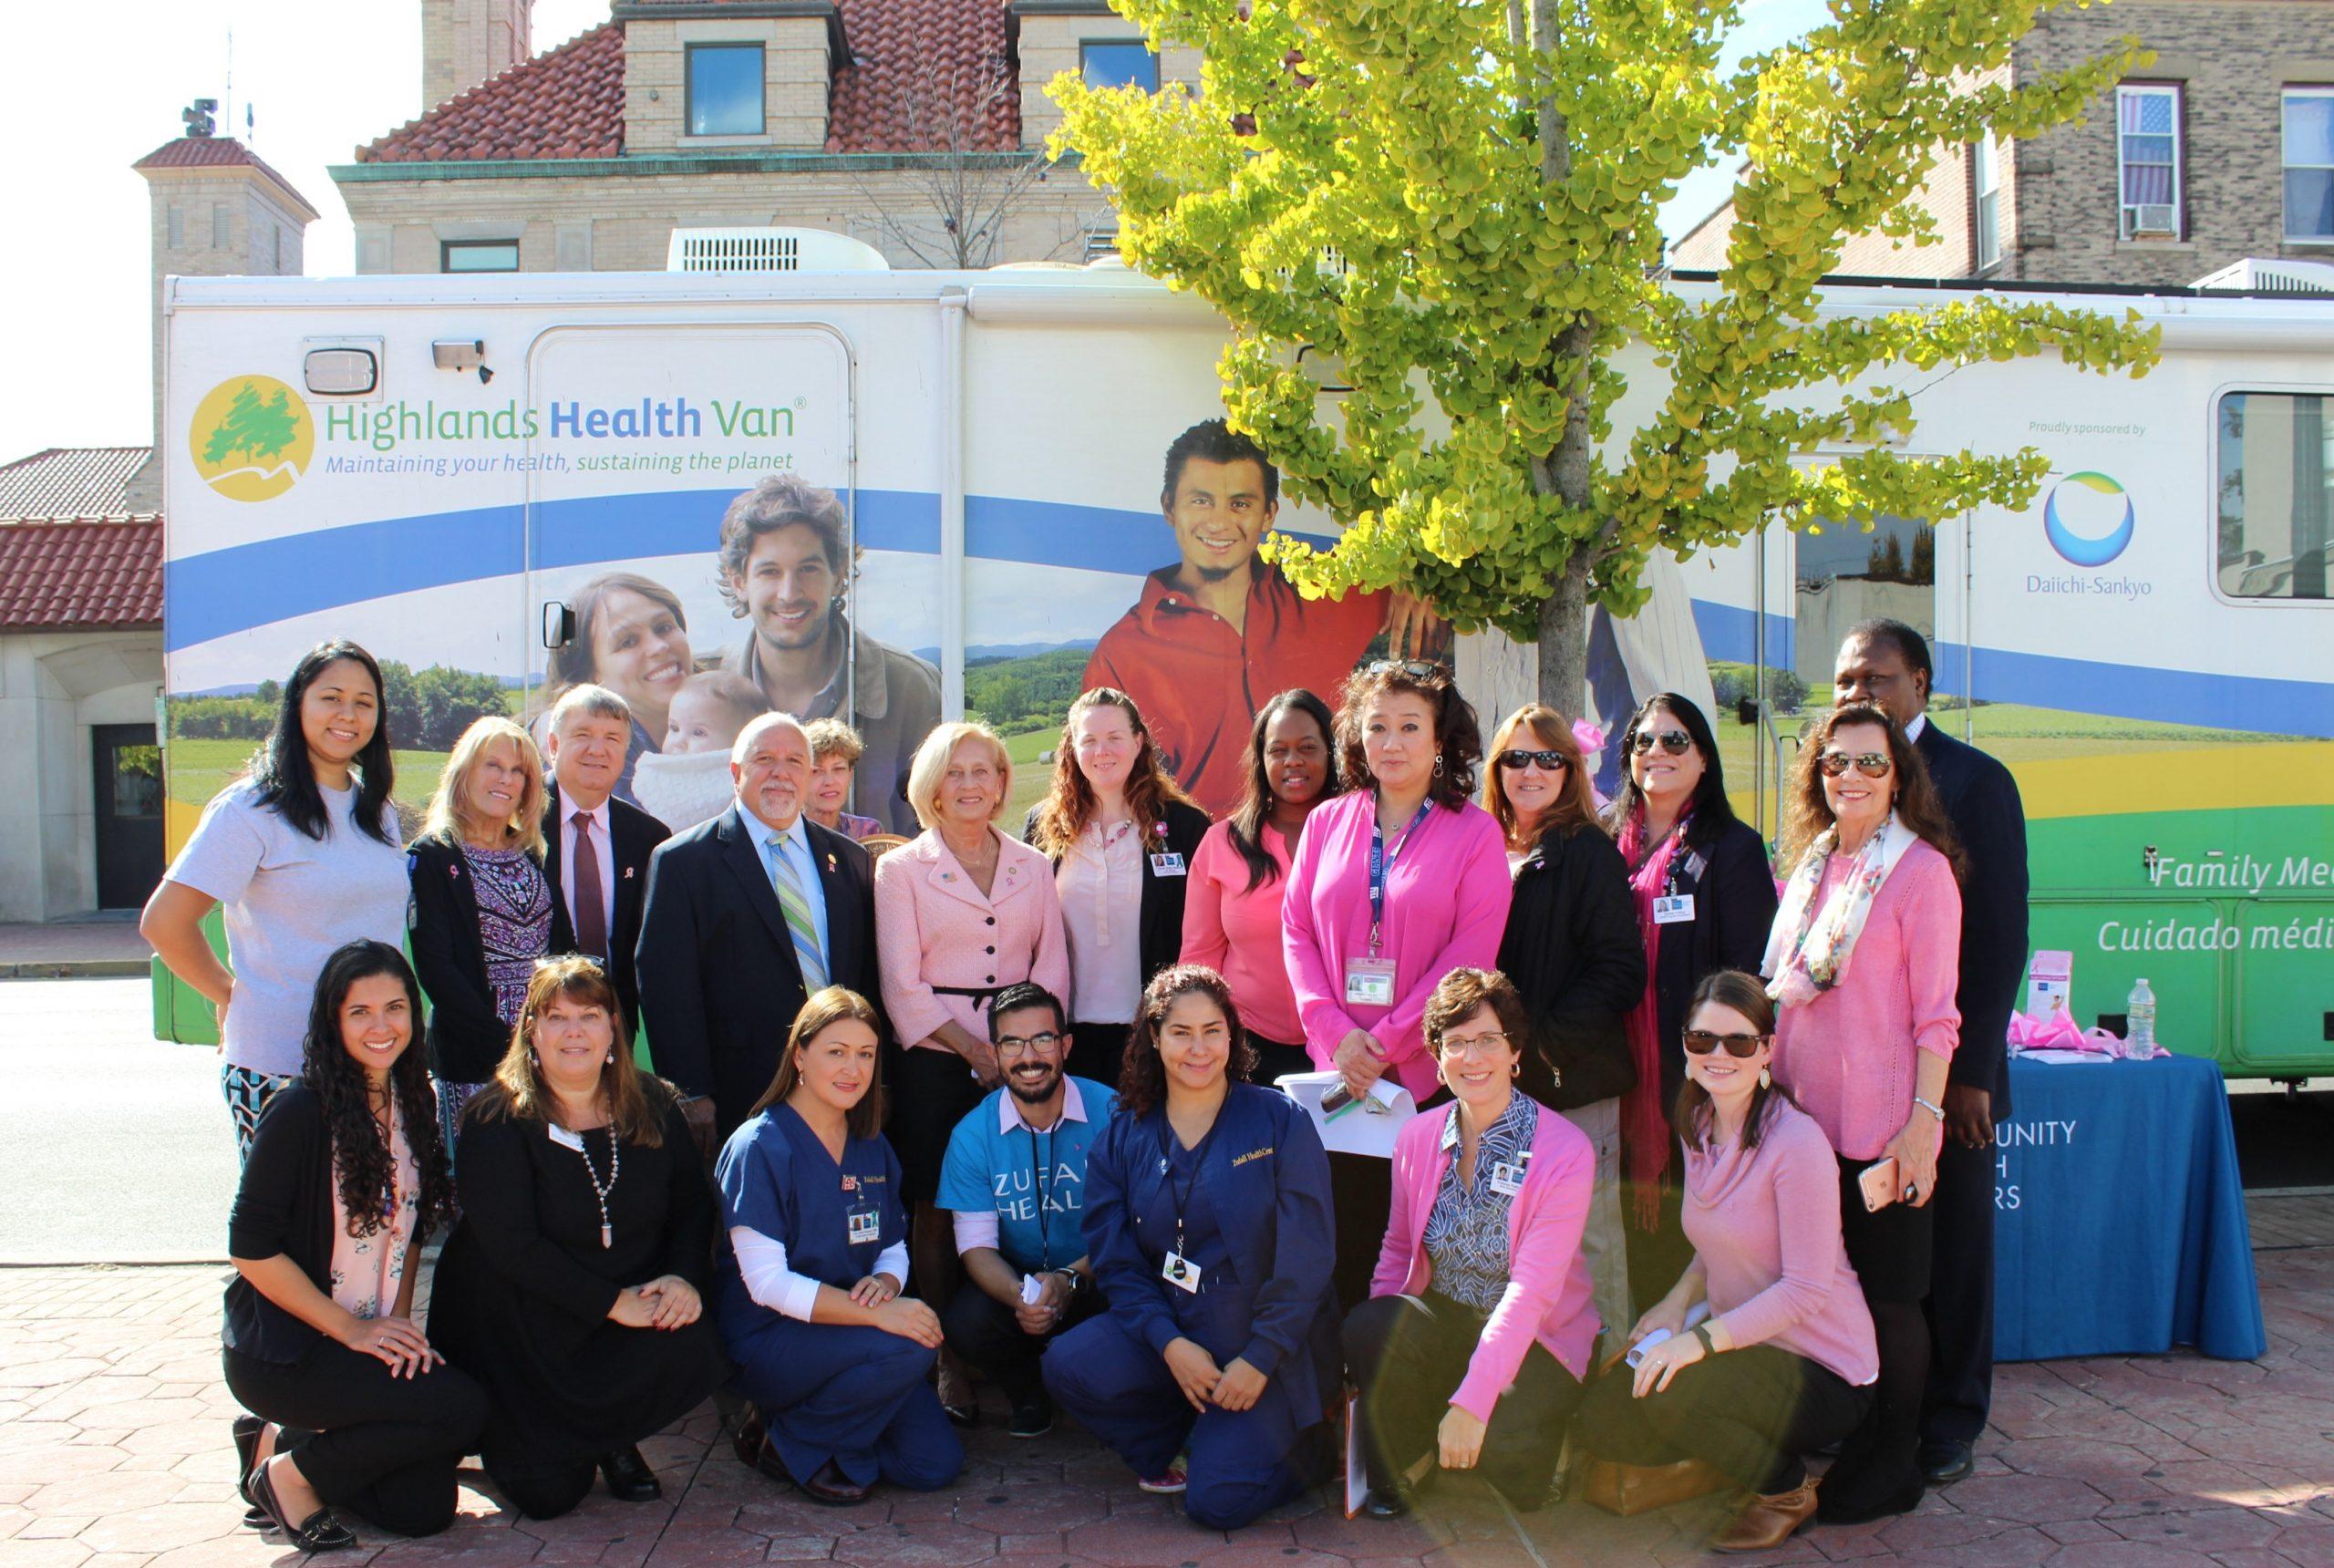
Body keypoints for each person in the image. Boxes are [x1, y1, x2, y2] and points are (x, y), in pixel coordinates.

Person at [1576, 972, 1878, 1554]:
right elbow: (1716, 1240)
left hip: (1822, 1365)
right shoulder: (1699, 1123)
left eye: (1739, 1042)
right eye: (1702, 1040)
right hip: (1743, 1342)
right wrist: (1675, 1302)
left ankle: (1785, 1490)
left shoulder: (1797, 1143)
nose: (1720, 1055)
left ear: (1766, 1050)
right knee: (1605, 1418)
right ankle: (1728, 1450)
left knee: (1671, 1389)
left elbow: (1806, 1290)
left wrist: (1697, 1343)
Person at [427, 956, 728, 1520]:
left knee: (697, 1337)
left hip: (621, 1310)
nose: (573, 1031)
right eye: (555, 1017)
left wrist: (683, 1277)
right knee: (549, 1498)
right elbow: (514, 1248)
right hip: (523, 1325)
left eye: (589, 1015)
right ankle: (520, 1435)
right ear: (531, 1031)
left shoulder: (654, 1104)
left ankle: (613, 1435)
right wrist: (613, 1304)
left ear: (613, 1027)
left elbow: (690, 1204)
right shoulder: (495, 1118)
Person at [1833, 619, 2027, 1488]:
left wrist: (1975, 1074)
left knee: (1951, 1252)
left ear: (1919, 682)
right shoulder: (1836, 782)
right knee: (1883, 1261)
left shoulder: (1977, 782)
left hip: (1948, 1079)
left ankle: (1951, 1420)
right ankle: (1882, 1411)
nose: (1857, 695)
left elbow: (1997, 940)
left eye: (1875, 679)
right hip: (1859, 1082)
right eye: (1844, 681)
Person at [1043, 966, 1339, 1530]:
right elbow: (1117, 1261)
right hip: (1176, 1332)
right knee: (1069, 1365)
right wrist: (1169, 1343)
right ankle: (1183, 1440)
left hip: (1267, 1350)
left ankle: (1310, 1449)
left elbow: (1309, 1258)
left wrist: (1261, 1358)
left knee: (1217, 1503)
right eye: (1181, 1032)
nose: (1198, 1048)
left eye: (1213, 1030)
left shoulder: (1280, 1122)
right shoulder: (1123, 1134)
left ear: (1232, 1036)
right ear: (1153, 1037)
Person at [1763, 702, 1962, 1523]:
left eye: (1871, 763)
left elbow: (1938, 1016)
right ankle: (1854, 1435)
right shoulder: (1811, 865)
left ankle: (1894, 1457)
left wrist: (1924, 1124)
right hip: (1803, 1125)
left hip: (1881, 1128)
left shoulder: (1921, 874)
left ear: (1899, 776)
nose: (1851, 776)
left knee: (1891, 1295)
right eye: (1836, 762)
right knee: (1829, 1288)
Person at [222, 942, 485, 1550]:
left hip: (363, 1334)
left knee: (422, 1508)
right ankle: (287, 1478)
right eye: (359, 1011)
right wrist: (352, 1332)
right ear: (332, 1020)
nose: (380, 1026)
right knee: (462, 1410)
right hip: (291, 1349)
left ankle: (288, 1442)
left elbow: (413, 1227)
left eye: (394, 1007)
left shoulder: (413, 1099)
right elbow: (250, 1248)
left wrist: (396, 1328)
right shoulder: (300, 1112)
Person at [1283, 661, 1512, 1310]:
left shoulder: (1474, 833)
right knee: (1333, 1251)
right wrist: (1337, 1038)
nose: (1392, 742)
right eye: (1376, 726)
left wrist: (1380, 1045)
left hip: (1424, 1084)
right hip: (1333, 1084)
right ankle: (1336, 1395)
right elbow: (1295, 931)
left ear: (1441, 741)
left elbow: (1468, 963)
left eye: (1410, 726)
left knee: (1415, 1259)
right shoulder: (1328, 822)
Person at [1082, 419, 1441, 814]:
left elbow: (1437, 539)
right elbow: (1099, 788)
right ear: (1169, 506)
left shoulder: (1321, 591)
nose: (1219, 522)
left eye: (1240, 503)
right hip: (1204, 867)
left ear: (1269, 513)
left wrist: (1419, 574)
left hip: (1332, 860)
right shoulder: (1121, 654)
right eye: (1201, 500)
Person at [1344, 968, 1598, 1520]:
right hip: (1449, 1319)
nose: (1473, 1056)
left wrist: (1472, 1404)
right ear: (1437, 1058)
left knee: (1510, 1464)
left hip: (1537, 1338)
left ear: (1514, 1051)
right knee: (1369, 1326)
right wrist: (1377, 1379)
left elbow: (1531, 1293)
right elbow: (1395, 1250)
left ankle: (1539, 1438)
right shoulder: (1416, 1136)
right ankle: (1420, 1455)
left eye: (1488, 1039)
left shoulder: (1565, 1150)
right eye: (1456, 1043)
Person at [145, 641, 411, 1160]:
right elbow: (165, 923)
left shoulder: (375, 811)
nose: (348, 715)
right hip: (281, 1061)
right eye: (330, 697)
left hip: (373, 1062)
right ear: (298, 706)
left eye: (364, 702)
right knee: (287, 1229)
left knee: (367, 1229)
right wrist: (229, 996)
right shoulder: (252, 809)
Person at [873, 721, 1069, 1421]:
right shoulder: (900, 870)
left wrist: (1024, 1050)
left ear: (1002, 782)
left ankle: (1020, 1334)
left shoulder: (1032, 865)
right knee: (935, 1204)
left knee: (1020, 1190)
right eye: (955, 773)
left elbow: (1051, 965)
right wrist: (974, 1049)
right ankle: (946, 1356)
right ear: (930, 785)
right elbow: (902, 983)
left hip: (1024, 1057)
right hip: (936, 1059)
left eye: (983, 771)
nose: (970, 785)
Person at [715, 987, 963, 1506]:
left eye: (866, 1054)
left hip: (853, 1341)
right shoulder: (758, 1146)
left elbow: (892, 1245)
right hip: (774, 1338)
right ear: (799, 1055)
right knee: (910, 1344)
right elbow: (766, 1284)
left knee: (933, 1465)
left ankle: (821, 1431)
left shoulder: (870, 1142)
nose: (853, 1068)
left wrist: (888, 1283)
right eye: (836, 1051)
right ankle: (790, 1440)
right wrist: (878, 1315)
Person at [1603, 693, 1779, 1305]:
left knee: (1693, 1239)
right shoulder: (1601, 845)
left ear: (1704, 759)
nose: (1658, 752)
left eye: (1676, 741)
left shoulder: (1732, 848)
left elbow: (1751, 973)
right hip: (1613, 1076)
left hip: (1698, 1081)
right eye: (1644, 741)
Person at [636, 712, 882, 1141]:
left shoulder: (848, 859)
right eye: (764, 759)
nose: (780, 774)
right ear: (736, 773)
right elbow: (666, 985)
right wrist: (691, 1092)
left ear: (808, 774)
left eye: (793, 762)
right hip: (740, 1089)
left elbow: (865, 972)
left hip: (842, 1083)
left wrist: (876, 1075)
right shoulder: (683, 862)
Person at [1486, 705, 1646, 1341]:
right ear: (1496, 770)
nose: (1532, 770)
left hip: (1569, 1084)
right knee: (1510, 1244)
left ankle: (1611, 1390)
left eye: (1548, 757)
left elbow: (1617, 972)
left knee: (1590, 1241)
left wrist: (1538, 1048)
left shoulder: (1588, 852)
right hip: (1493, 1088)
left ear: (1571, 768)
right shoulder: (1481, 846)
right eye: (1516, 758)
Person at [935, 983, 1117, 1439]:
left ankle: (1112, 1395)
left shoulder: (1114, 1114)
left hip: (1098, 1274)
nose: (1028, 1056)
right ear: (995, 1053)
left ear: (1066, 1046)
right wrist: (1022, 1296)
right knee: (967, 1322)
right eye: (1012, 1043)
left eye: (1042, 1039)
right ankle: (1027, 1393)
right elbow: (976, 1249)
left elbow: (1133, 1228)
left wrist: (1068, 1279)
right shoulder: (971, 1135)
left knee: (1140, 1294)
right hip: (1020, 1285)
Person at [714, 475, 942, 834]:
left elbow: (933, 834)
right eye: (770, 572)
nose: (789, 593)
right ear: (739, 581)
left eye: (808, 569)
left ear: (838, 575)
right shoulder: (704, 694)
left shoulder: (911, 686)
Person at [1025, 688, 1212, 1089]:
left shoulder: (1183, 826)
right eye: (1088, 740)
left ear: (1138, 742)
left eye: (1114, 738)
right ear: (1072, 748)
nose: (1101, 751)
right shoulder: (1042, 828)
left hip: (1156, 1032)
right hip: (1067, 1036)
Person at [408, 717, 568, 1158]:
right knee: (478, 1187)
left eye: (519, 771)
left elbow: (562, 949)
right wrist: (506, 1045)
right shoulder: (434, 856)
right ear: (464, 773)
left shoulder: (534, 851)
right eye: (492, 765)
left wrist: (556, 1036)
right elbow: (437, 968)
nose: (506, 779)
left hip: (546, 1053)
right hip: (474, 1058)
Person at [1180, 688, 1346, 1086]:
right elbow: (1199, 957)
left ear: (1331, 753)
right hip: (1248, 1049)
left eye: (1308, 747)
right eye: (1278, 750)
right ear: (1261, 759)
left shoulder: (1362, 835)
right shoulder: (1222, 843)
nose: (1293, 761)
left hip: (1347, 1045)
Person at [540, 684, 672, 1041]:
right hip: (533, 1023)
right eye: (583, 734)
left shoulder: (650, 838)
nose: (598, 749)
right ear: (553, 745)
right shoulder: (517, 824)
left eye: (612, 738)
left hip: (615, 1029)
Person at [541, 573, 697, 805]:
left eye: (664, 627)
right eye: (628, 642)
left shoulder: (732, 701)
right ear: (591, 674)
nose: (659, 646)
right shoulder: (596, 765)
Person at [631, 670, 770, 833]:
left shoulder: (742, 782)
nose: (679, 742)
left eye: (698, 733)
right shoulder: (657, 774)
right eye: (674, 728)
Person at [804, 717, 886, 841]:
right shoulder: (784, 834)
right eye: (817, 771)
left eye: (838, 769)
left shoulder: (868, 832)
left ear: (850, 774)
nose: (829, 781)